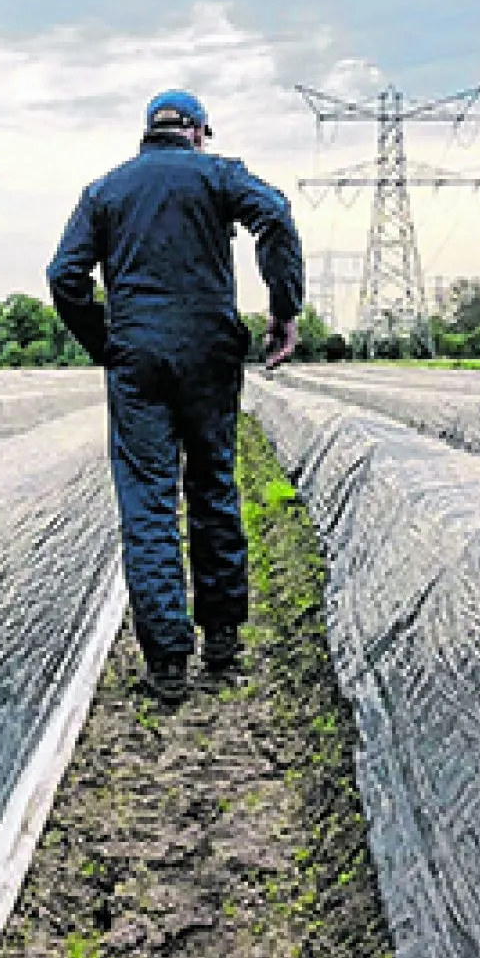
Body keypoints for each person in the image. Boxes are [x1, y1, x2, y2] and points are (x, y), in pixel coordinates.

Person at [47, 88, 305, 704]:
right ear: (198, 131)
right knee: (214, 485)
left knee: (148, 503)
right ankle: (221, 643)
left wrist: (104, 342)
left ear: (149, 132)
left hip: (137, 355)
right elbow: (276, 216)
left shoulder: (107, 190)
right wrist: (283, 310)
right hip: (209, 351)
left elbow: (64, 275)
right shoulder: (220, 176)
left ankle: (167, 663)